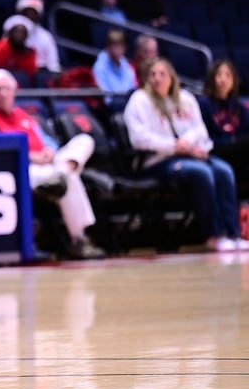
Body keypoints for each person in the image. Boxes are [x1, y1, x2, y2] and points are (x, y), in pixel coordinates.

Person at [123, 58, 247, 251]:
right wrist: (174, 146)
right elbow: (139, 138)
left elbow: (200, 130)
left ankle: (234, 233)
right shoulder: (138, 101)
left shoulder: (186, 99)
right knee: (202, 173)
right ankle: (214, 235)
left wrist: (188, 144)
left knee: (224, 170)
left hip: (190, 154)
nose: (157, 78)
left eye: (162, 74)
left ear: (172, 78)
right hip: (157, 161)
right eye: (153, 74)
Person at [0, 69, 106, 259]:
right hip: (21, 168)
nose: (2, 93)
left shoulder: (23, 115)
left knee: (84, 141)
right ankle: (79, 240)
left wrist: (50, 152)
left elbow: (49, 142)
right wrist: (31, 157)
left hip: (49, 165)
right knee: (71, 179)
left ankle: (62, 173)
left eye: (5, 89)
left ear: (14, 91)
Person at [198, 59, 249, 187]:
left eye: (228, 75)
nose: (223, 79)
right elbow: (203, 137)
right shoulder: (204, 104)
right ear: (212, 78)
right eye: (219, 74)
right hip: (215, 150)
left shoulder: (239, 106)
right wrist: (229, 142)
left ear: (234, 81)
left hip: (238, 153)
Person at [92, 29, 137, 94]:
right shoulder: (99, 66)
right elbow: (105, 96)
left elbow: (132, 86)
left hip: (127, 100)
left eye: (121, 45)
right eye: (115, 45)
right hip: (112, 102)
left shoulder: (125, 63)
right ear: (108, 47)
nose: (118, 49)